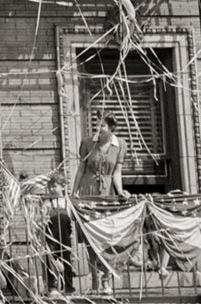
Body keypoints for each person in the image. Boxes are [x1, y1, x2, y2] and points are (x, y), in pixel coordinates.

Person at [73, 115, 128, 294]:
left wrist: (120, 191)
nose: (98, 128)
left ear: (112, 127)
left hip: (107, 194)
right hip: (89, 190)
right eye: (97, 125)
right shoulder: (88, 142)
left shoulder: (120, 145)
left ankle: (106, 280)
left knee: (107, 237)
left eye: (102, 125)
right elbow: (81, 168)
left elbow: (116, 172)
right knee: (91, 239)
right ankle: (95, 281)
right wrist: (74, 193)